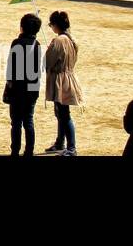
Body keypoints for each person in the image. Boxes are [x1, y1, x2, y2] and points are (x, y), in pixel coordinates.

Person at [43, 10, 82, 156]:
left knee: (64, 114)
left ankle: (71, 147)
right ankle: (60, 142)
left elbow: (47, 62)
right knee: (61, 113)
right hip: (69, 77)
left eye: (51, 25)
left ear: (55, 25)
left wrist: (49, 51)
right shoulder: (72, 39)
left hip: (60, 80)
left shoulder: (59, 41)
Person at [3, 13, 43, 157]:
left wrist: (8, 84)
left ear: (22, 27)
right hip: (32, 88)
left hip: (17, 89)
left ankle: (15, 150)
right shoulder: (37, 45)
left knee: (16, 122)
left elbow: (10, 67)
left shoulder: (16, 43)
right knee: (29, 121)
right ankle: (29, 151)